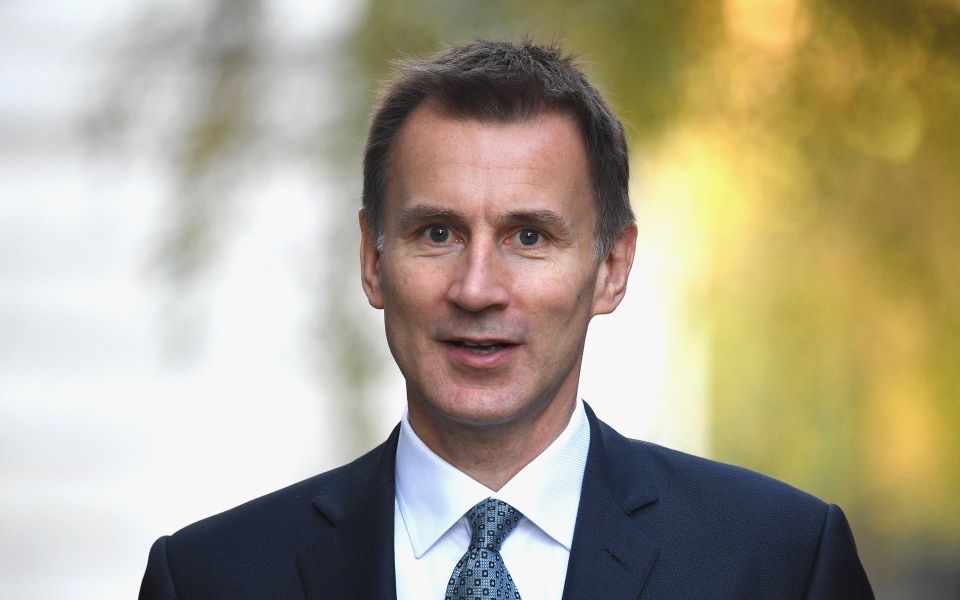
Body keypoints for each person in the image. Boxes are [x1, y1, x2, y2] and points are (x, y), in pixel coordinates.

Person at [138, 40, 874, 600]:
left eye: (529, 236)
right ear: (372, 259)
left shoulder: (780, 565)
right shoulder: (209, 579)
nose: (477, 288)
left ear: (612, 268)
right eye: (437, 233)